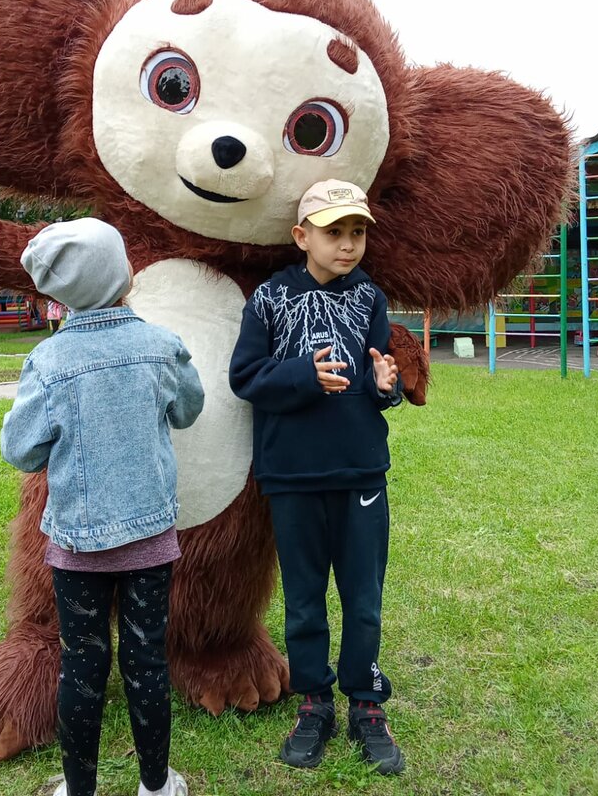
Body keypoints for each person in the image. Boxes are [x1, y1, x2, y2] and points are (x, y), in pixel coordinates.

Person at [1, 218, 204, 796]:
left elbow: (20, 449)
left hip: (77, 545)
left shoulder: (48, 361)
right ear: (124, 275)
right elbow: (189, 410)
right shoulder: (161, 346)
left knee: (82, 666)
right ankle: (155, 785)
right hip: (150, 540)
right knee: (147, 662)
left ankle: (78, 789)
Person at [229, 180, 405, 775]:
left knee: (363, 599)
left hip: (361, 471)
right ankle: (314, 703)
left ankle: (366, 703)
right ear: (302, 236)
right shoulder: (270, 298)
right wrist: (304, 375)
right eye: (334, 233)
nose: (348, 245)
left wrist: (386, 387)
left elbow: (379, 375)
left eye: (357, 232)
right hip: (292, 474)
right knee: (305, 603)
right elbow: (245, 377)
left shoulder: (370, 298)